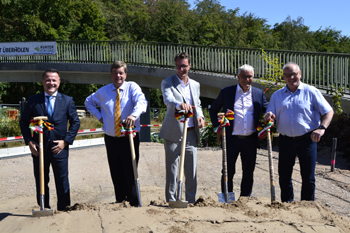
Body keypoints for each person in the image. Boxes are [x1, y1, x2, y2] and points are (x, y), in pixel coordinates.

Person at [264, 62, 334, 202]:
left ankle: (307, 208)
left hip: (307, 140)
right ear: (283, 77)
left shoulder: (311, 91)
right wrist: (268, 116)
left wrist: (322, 128)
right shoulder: (277, 96)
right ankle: (287, 206)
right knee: (284, 176)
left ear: (300, 74)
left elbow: (329, 111)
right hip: (285, 140)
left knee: (308, 177)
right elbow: (270, 113)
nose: (291, 77)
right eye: (287, 75)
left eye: (294, 74)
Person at [85, 61, 147, 206]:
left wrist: (133, 115)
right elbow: (88, 102)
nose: (117, 76)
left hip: (129, 138)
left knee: (130, 171)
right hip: (111, 139)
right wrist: (100, 117)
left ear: (125, 74)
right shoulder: (104, 91)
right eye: (115, 73)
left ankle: (134, 202)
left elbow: (141, 102)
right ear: (111, 74)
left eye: (120, 73)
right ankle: (120, 200)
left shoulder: (132, 87)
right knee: (115, 170)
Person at [20, 69, 80, 211]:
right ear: (42, 82)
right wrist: (29, 141)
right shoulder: (34, 100)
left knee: (62, 180)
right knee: (41, 179)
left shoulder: (67, 100)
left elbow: (75, 122)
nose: (51, 83)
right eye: (48, 80)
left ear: (59, 82)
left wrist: (65, 141)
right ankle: (43, 207)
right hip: (39, 148)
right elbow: (23, 122)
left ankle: (64, 208)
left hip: (59, 147)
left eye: (54, 80)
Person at [209, 64, 268, 197]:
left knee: (248, 172)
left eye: (250, 77)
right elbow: (213, 109)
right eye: (244, 77)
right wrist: (217, 127)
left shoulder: (259, 93)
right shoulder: (227, 92)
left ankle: (244, 200)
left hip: (251, 140)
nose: (247, 80)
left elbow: (267, 110)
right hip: (231, 140)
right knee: (228, 171)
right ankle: (226, 199)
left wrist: (269, 116)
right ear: (238, 77)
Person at [159, 52, 205, 204]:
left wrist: (200, 116)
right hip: (173, 133)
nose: (181, 69)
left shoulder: (196, 85)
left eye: (184, 66)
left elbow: (197, 104)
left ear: (189, 66)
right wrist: (179, 105)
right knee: (172, 171)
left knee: (191, 171)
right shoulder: (167, 82)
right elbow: (168, 100)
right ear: (175, 66)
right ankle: (172, 201)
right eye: (178, 66)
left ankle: (190, 202)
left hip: (191, 133)